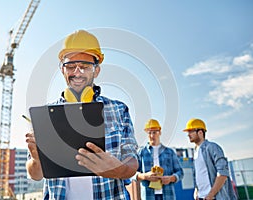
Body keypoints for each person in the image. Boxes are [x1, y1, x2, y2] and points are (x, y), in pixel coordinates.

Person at [25, 29, 139, 200]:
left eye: (85, 67)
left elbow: (133, 162)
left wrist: (118, 169)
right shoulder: (45, 116)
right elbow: (35, 174)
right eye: (70, 66)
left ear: (96, 71)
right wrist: (36, 159)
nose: (77, 72)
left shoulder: (119, 110)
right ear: (63, 70)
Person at [183, 118, 237, 200]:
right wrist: (197, 191)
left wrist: (211, 195)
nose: (188, 134)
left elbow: (223, 173)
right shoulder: (195, 152)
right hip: (202, 197)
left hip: (215, 197)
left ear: (200, 132)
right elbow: (199, 175)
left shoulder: (212, 147)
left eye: (191, 131)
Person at [133, 119, 184, 200]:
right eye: (149, 132)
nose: (152, 135)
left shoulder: (170, 152)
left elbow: (180, 172)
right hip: (148, 196)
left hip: (168, 195)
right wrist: (145, 176)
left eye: (154, 132)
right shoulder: (141, 152)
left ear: (160, 132)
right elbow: (133, 173)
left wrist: (171, 178)